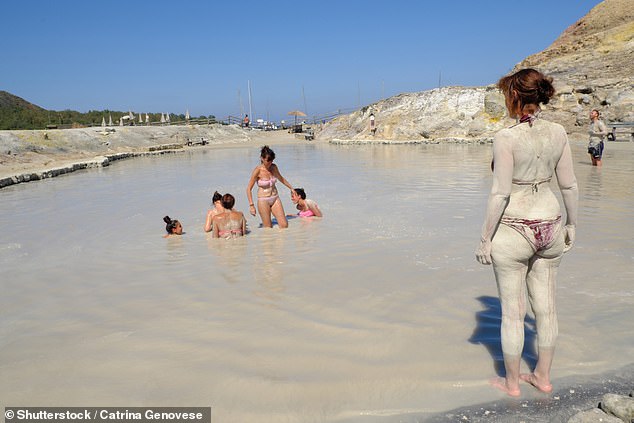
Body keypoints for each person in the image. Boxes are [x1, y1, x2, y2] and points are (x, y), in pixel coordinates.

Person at [475, 68, 578, 397]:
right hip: (550, 221)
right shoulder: (559, 132)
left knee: (512, 313)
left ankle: (511, 383)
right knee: (546, 308)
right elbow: (569, 184)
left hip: (514, 226)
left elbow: (500, 194)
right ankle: (543, 378)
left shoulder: (506, 137)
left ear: (515, 97)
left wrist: (484, 238)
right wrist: (572, 223)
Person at [246, 145, 294, 228]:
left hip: (275, 198)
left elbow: (281, 178)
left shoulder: (274, 167)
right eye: (268, 160)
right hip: (263, 200)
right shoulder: (257, 170)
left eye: (272, 160)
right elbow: (248, 189)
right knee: (268, 228)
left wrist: (291, 188)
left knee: (284, 225)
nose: (270, 162)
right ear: (262, 158)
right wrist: (251, 206)